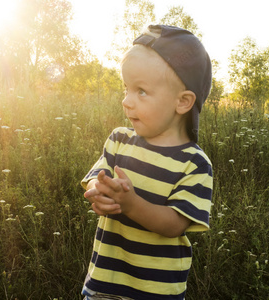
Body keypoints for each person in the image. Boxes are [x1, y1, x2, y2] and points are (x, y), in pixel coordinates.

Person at [80, 24, 213, 300]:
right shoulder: (119, 140)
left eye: (141, 91)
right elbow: (97, 178)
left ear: (183, 101)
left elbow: (175, 224)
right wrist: (100, 190)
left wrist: (130, 203)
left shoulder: (194, 164)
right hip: (105, 284)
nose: (126, 101)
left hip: (155, 292)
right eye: (126, 88)